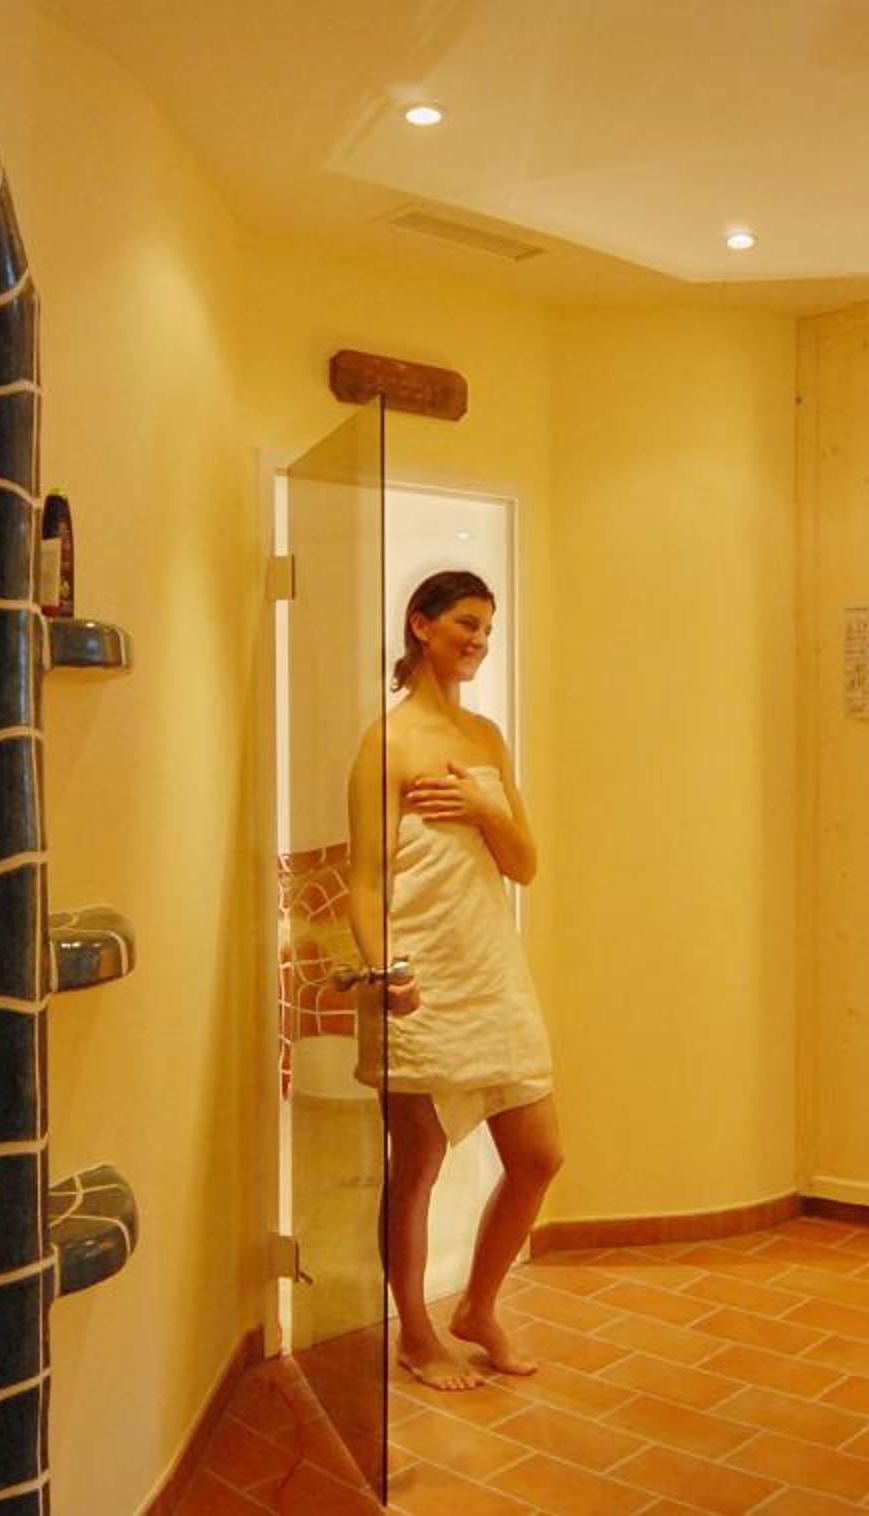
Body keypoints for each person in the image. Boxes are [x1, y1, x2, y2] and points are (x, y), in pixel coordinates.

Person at [345, 569, 561, 1391]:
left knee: (539, 1156)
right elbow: (365, 880)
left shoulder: (486, 739)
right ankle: (416, 1334)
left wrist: (485, 807)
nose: (479, 641)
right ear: (421, 624)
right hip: (420, 976)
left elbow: (525, 864)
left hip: (491, 970)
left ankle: (478, 1307)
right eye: (467, 623)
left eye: (487, 629)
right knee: (417, 1167)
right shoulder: (388, 742)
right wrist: (385, 972)